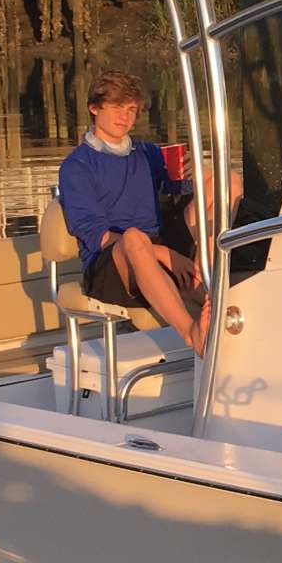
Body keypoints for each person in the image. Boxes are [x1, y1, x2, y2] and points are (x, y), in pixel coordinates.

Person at [59, 71, 235, 358]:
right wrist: (164, 253)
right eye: (117, 107)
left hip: (154, 241)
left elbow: (184, 188)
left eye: (131, 109)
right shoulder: (77, 166)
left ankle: (205, 274)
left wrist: (200, 171)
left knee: (227, 180)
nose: (125, 117)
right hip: (111, 264)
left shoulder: (147, 152)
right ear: (95, 108)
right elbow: (95, 234)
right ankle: (191, 333)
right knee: (133, 238)